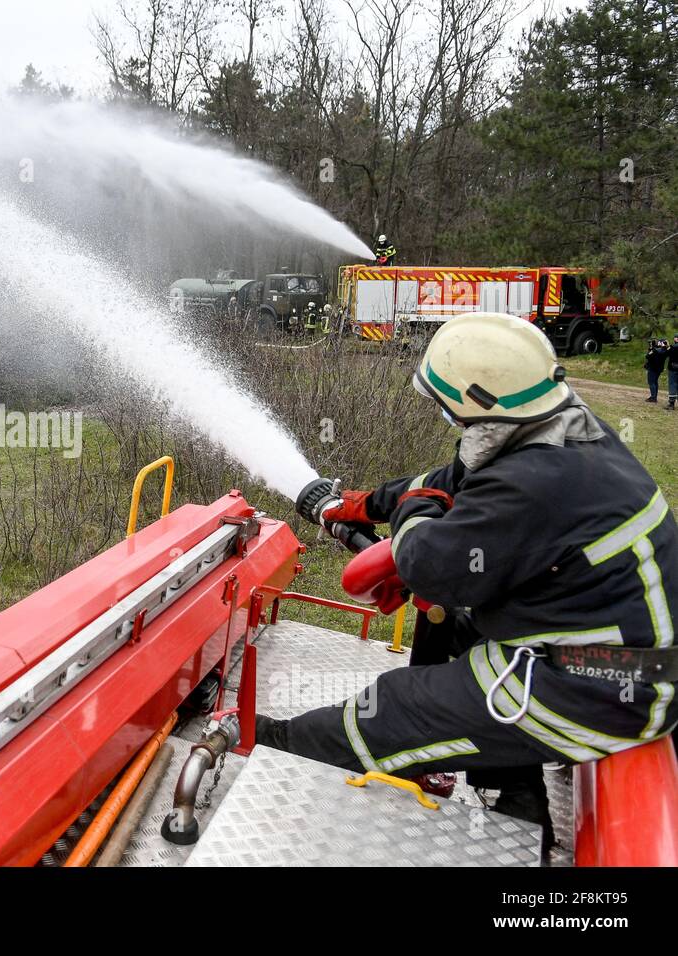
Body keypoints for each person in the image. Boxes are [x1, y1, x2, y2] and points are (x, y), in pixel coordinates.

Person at [257, 312, 678, 855]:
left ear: (477, 403)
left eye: (447, 405)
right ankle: (519, 791)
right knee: (449, 620)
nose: (446, 417)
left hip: (595, 686)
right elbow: (449, 481)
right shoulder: (559, 429)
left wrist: (410, 516)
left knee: (395, 704)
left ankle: (279, 746)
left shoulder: (534, 483)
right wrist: (366, 503)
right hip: (607, 656)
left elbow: (427, 563)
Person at [645, 338, 668, 403]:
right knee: (655, 382)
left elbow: (647, 356)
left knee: (651, 382)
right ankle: (654, 396)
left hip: (652, 368)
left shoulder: (655, 350)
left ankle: (653, 398)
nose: (658, 342)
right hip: (659, 368)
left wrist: (651, 349)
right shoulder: (665, 350)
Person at [668, 335, 678, 410]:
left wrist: (667, 346)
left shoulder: (673, 347)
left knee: (672, 385)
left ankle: (671, 404)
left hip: (673, 368)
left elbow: (667, 352)